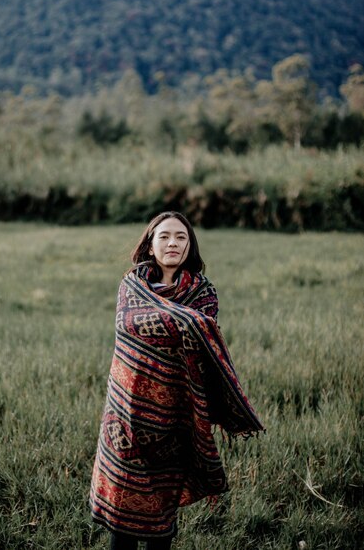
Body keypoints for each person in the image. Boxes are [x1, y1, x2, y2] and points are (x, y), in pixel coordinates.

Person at [90, 211, 264, 549]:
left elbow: (204, 336)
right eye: (165, 236)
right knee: (122, 512)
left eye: (181, 237)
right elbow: (130, 326)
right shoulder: (131, 286)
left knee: (163, 511)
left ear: (190, 245)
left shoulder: (203, 293)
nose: (173, 243)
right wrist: (181, 323)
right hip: (125, 415)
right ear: (151, 245)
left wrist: (175, 323)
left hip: (176, 415)